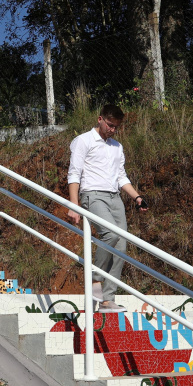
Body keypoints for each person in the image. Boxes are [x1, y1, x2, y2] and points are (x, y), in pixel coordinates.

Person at [66, 104, 148, 313]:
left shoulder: (116, 147)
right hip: (93, 195)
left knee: (121, 246)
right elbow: (74, 173)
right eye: (110, 125)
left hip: (115, 197)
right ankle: (95, 280)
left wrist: (137, 197)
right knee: (110, 234)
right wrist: (73, 204)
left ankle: (107, 299)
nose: (112, 130)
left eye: (116, 127)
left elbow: (121, 177)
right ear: (100, 119)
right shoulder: (83, 140)